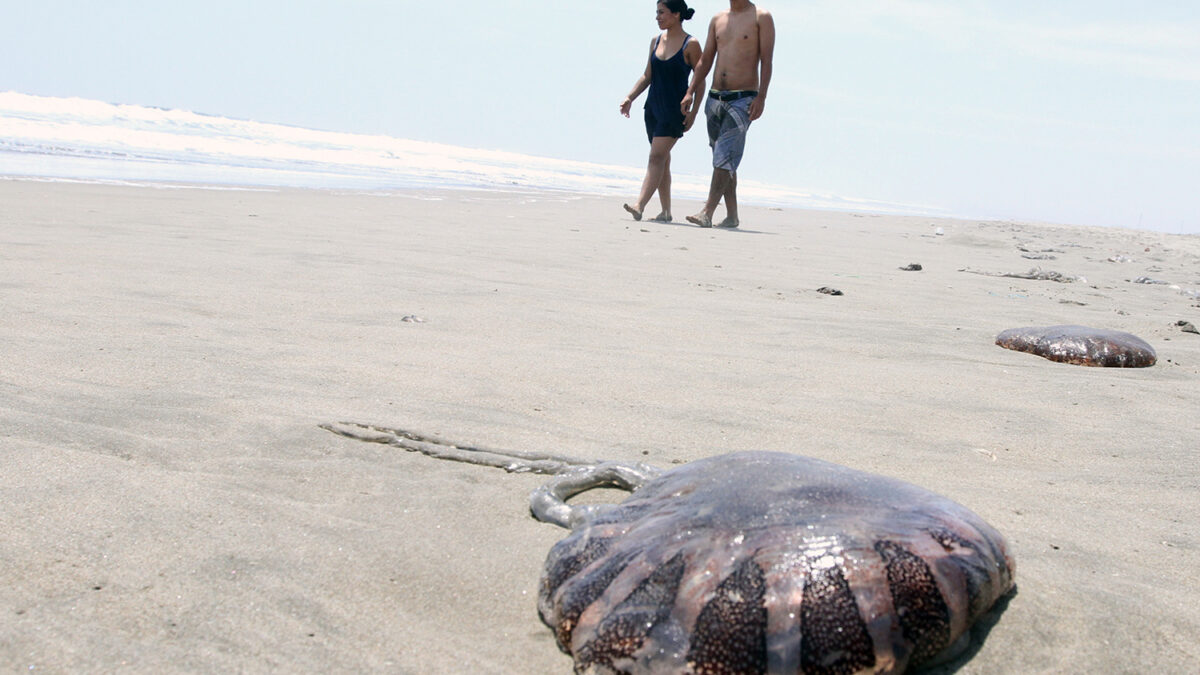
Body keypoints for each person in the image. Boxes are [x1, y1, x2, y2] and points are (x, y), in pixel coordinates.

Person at [681, 0, 775, 228]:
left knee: (724, 157)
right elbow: (705, 59)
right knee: (723, 159)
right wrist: (690, 91)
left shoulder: (761, 17)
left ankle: (707, 212)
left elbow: (766, 60)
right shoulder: (718, 19)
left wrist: (761, 97)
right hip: (715, 97)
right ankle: (732, 215)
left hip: (742, 99)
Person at [620, 0, 703, 223]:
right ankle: (665, 212)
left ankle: (640, 204)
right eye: (656, 13)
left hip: (675, 110)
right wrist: (630, 97)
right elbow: (647, 75)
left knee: (655, 157)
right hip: (653, 108)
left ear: (676, 14)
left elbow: (700, 79)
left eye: (662, 12)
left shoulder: (691, 44)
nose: (657, 17)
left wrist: (693, 111)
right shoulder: (655, 41)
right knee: (662, 159)